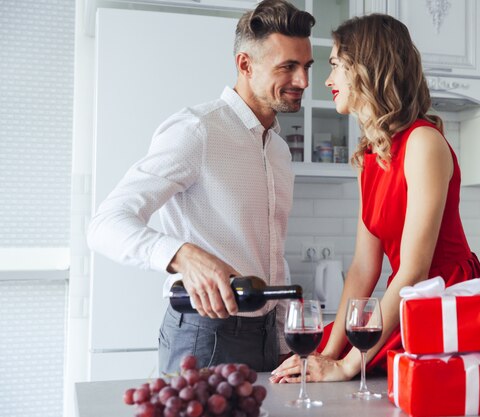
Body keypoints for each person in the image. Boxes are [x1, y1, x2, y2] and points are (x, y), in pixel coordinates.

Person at [270, 13, 480, 383]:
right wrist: (326, 355)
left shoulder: (423, 142)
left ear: (367, 67)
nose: (329, 79)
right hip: (411, 298)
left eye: (336, 65)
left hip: (447, 303)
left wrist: (349, 365)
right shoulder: (372, 157)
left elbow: (414, 269)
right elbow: (364, 270)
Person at [87, 0, 315, 374]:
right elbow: (104, 224)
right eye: (287, 67)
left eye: (306, 66)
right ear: (245, 64)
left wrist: (281, 337)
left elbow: (269, 252)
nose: (302, 81)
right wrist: (182, 255)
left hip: (265, 336)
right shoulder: (198, 130)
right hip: (205, 336)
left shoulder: (277, 148)